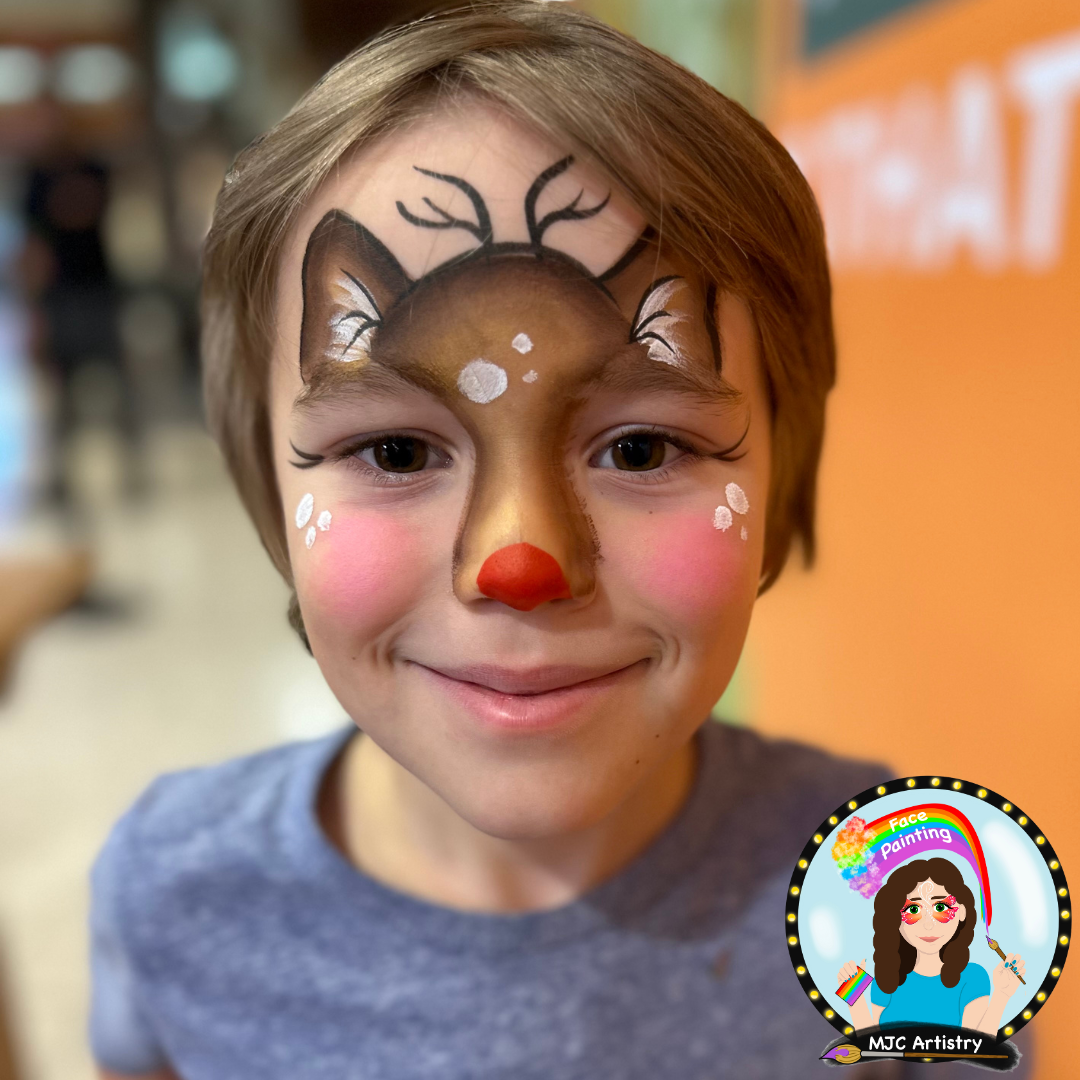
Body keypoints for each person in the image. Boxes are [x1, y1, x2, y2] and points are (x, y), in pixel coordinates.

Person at [88, 4, 968, 1077]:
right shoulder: (175, 890)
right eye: (399, 453)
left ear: (779, 478)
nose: (520, 566)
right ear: (272, 500)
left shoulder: (900, 886)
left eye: (642, 448)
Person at [837, 857, 1026, 1033]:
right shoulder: (886, 978)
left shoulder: (974, 978)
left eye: (941, 908)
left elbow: (976, 1048)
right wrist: (854, 995)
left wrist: (1002, 995)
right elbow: (873, 1047)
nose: (928, 924)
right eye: (913, 909)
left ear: (961, 912)